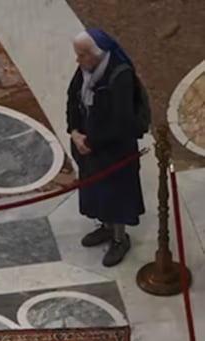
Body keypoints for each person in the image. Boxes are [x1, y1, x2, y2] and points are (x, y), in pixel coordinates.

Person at [66, 28, 145, 267]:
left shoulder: (120, 76)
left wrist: (90, 142)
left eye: (81, 55)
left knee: (115, 194)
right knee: (97, 191)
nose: (77, 60)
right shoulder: (86, 69)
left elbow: (122, 122)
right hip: (89, 146)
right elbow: (72, 98)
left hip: (114, 150)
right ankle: (106, 227)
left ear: (96, 53)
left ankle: (120, 238)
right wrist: (75, 131)